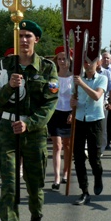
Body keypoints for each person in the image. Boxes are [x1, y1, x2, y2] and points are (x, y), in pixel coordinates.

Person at [0, 20, 58, 221]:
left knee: (34, 184)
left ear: (36, 40)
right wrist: (9, 87)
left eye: (28, 35)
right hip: (7, 131)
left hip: (34, 133)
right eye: (20, 35)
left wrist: (30, 123)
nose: (24, 39)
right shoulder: (4, 66)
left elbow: (50, 103)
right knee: (9, 186)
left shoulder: (47, 68)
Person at [70, 56, 107, 205]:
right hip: (79, 119)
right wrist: (72, 103)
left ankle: (98, 176)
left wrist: (82, 83)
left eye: (91, 61)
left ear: (97, 63)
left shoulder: (102, 78)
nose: (88, 64)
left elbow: (97, 96)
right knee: (78, 157)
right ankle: (84, 191)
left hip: (95, 121)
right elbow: (73, 99)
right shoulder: (77, 79)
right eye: (85, 61)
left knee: (94, 157)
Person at [47, 46, 73, 191]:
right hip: (55, 113)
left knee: (68, 145)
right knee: (57, 145)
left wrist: (72, 113)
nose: (62, 61)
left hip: (69, 113)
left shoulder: (73, 78)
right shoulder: (53, 77)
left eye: (65, 59)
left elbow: (76, 96)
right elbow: (51, 95)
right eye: (60, 59)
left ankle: (66, 172)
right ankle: (56, 177)